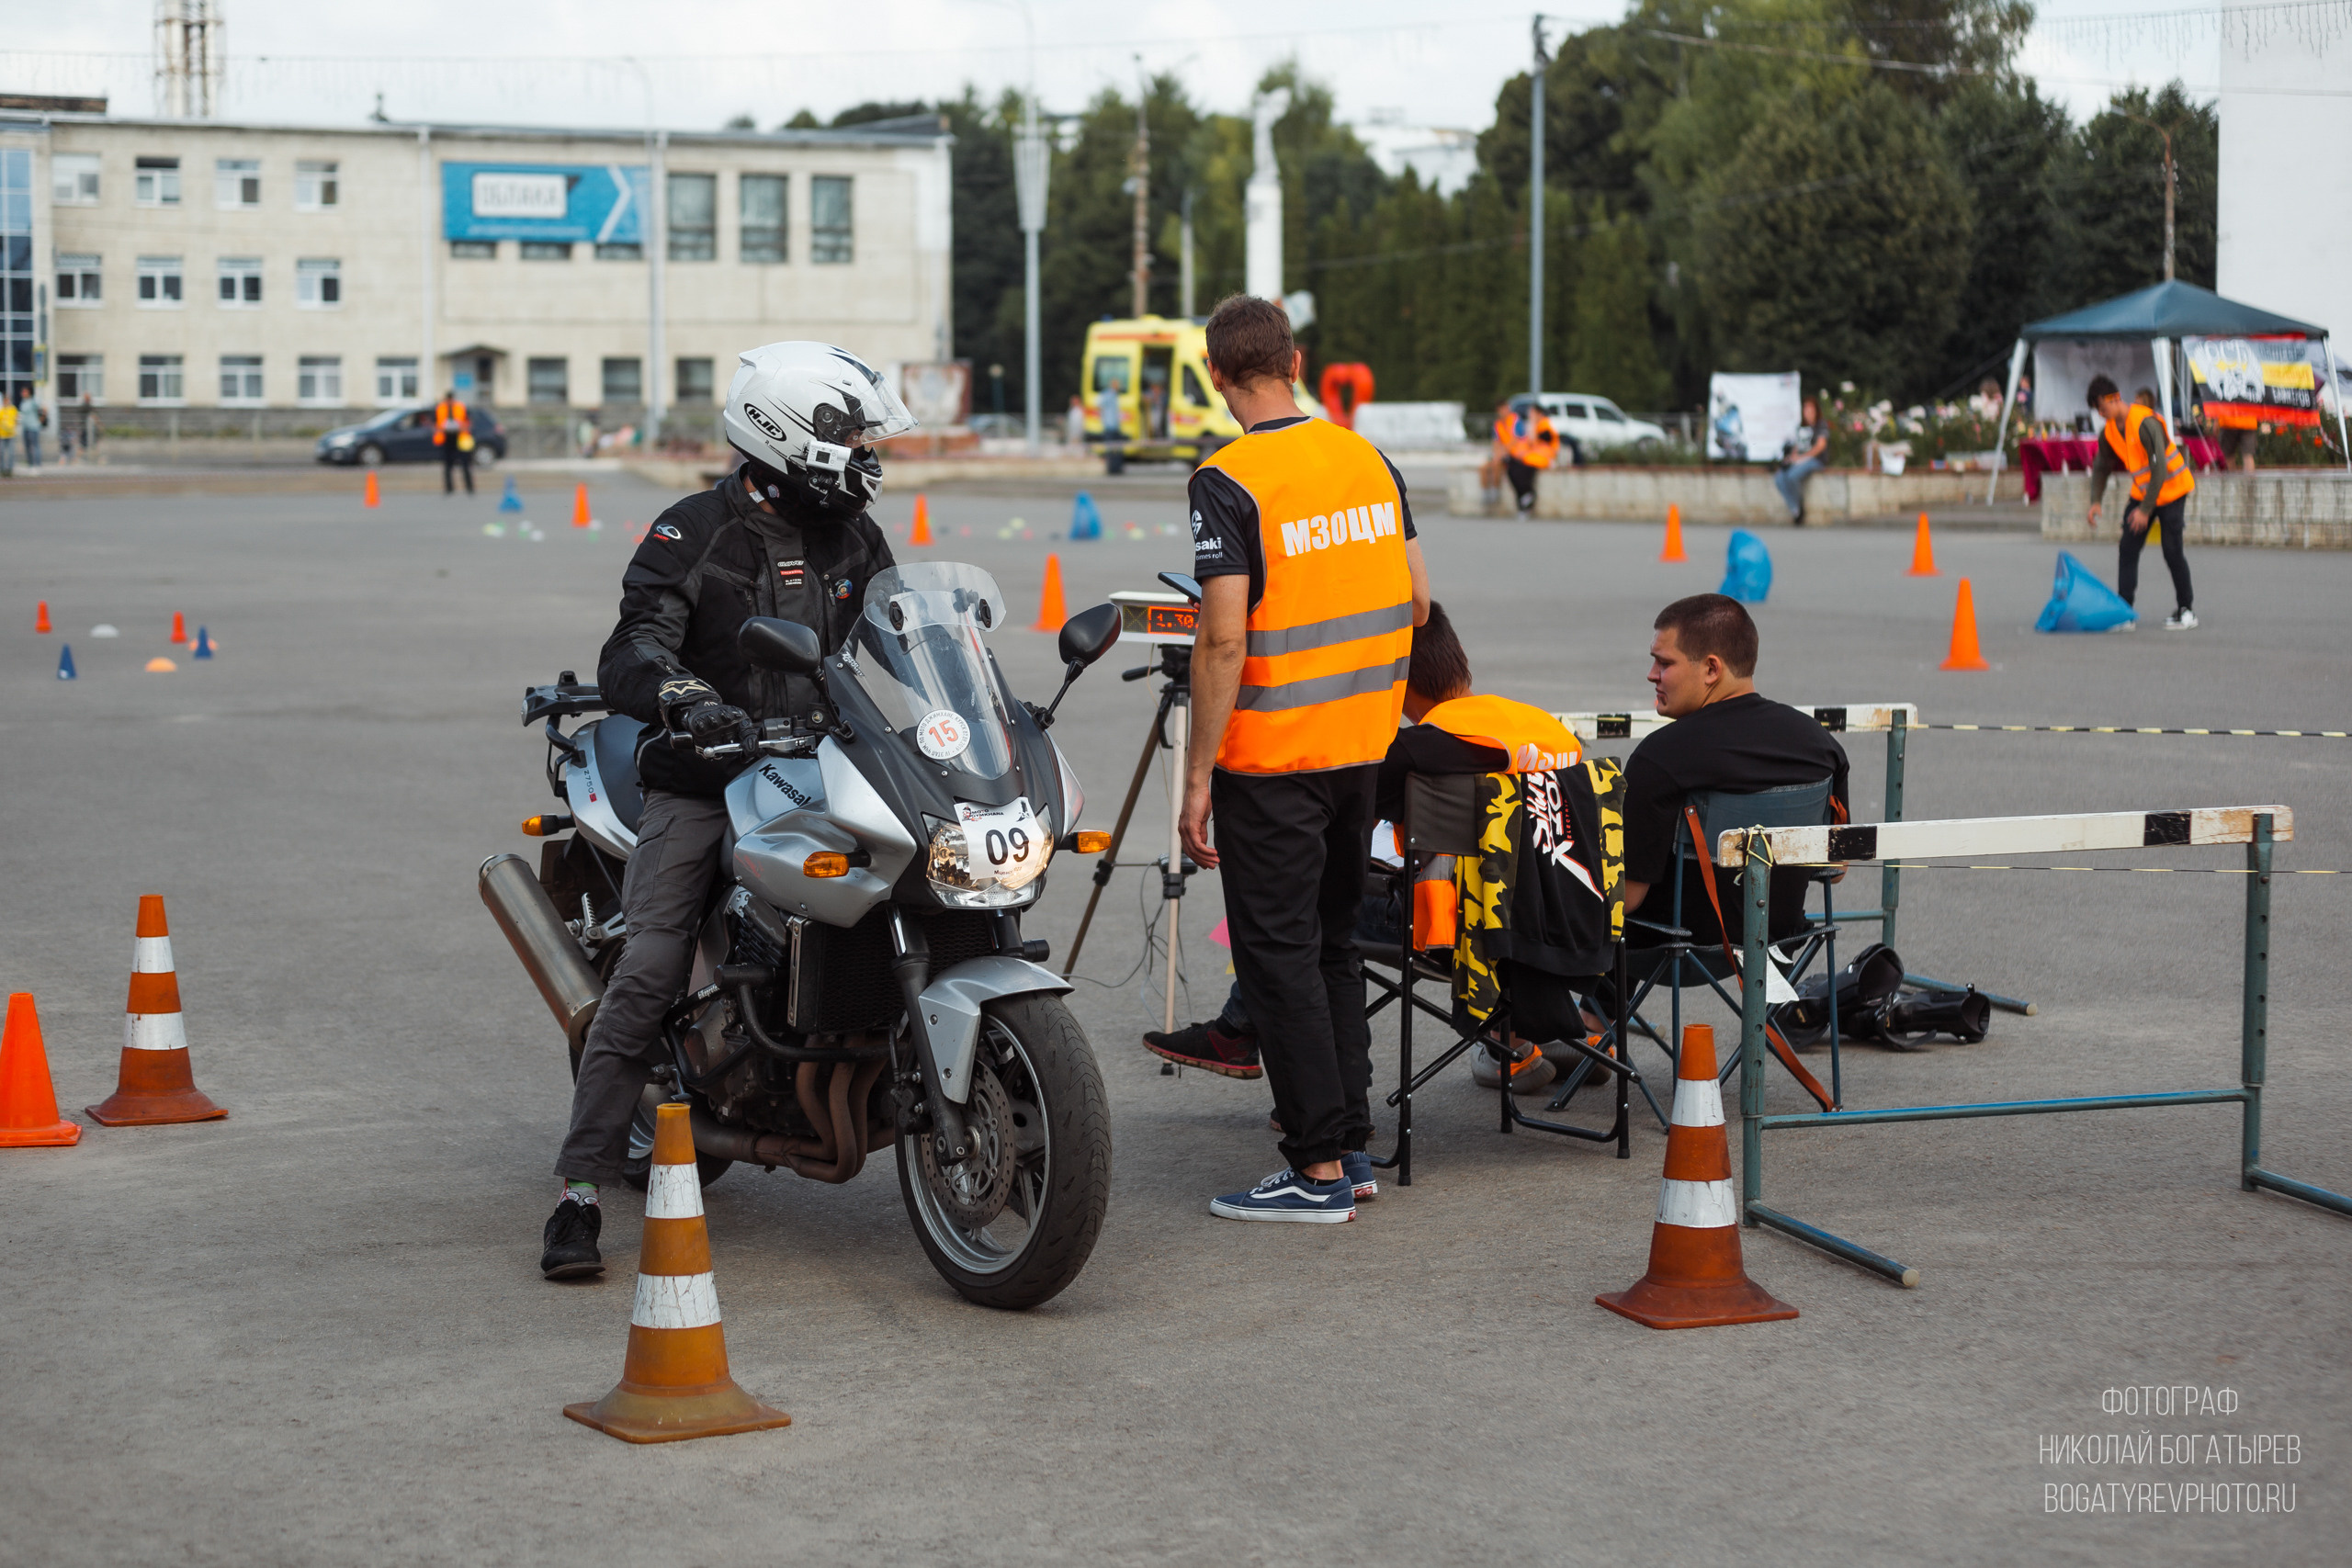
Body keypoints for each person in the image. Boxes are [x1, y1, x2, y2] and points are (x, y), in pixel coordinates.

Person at [538, 341, 911, 1280]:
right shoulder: (696, 529)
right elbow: (632, 647)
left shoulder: (856, 535)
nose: (868, 452)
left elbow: (905, 638)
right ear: (791, 435)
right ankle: (578, 1190)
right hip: (705, 773)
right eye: (852, 433)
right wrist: (682, 697)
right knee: (652, 964)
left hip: (823, 762)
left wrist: (964, 707)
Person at [1180, 293, 1430, 1224]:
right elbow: (1416, 601)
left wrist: (1197, 776)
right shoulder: (1368, 459)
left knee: (1277, 957)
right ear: (1297, 360)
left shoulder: (1228, 478)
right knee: (1332, 948)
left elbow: (1221, 642)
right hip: (1360, 747)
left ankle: (1315, 1169)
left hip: (1272, 756)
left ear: (1215, 375)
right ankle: (1349, 1146)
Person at [1145, 601, 1583, 1100]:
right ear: (1457, 657)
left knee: (1298, 908)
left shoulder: (1419, 751)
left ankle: (1308, 1077)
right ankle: (1526, 1043)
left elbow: (1327, 822)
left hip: (1459, 928)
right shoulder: (1545, 727)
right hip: (1565, 919)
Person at [1619, 594, 1849, 954]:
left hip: (1678, 944)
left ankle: (1588, 1013)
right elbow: (1836, 866)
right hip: (1779, 934)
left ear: (1712, 669)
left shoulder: (1661, 755)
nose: (1652, 675)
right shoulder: (1822, 746)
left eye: (1663, 663)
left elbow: (1627, 898)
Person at [2086, 376, 2197, 630]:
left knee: (2172, 551)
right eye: (2098, 411)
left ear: (2115, 398)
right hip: (2143, 494)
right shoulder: (2110, 431)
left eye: (2103, 408)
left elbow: (2159, 468)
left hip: (2172, 491)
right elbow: (2102, 466)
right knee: (2128, 548)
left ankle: (2186, 610)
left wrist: (2145, 510)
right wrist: (2095, 501)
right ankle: (2125, 611)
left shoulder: (2145, 422)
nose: (2102, 415)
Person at [1774, 396, 1828, 525]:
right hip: (1800, 460)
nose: (1808, 413)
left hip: (1815, 460)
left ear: (1816, 411)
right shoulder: (1802, 427)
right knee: (1780, 478)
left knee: (1793, 476)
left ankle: (1799, 506)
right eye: (1806, 410)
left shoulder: (1821, 425)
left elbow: (1820, 446)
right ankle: (1795, 509)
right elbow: (1798, 446)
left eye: (1811, 410)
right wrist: (1793, 457)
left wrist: (1804, 457)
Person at [1500, 399, 1559, 514]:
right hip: (1532, 456)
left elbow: (1537, 440)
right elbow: (1527, 444)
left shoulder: (1545, 425)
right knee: (1511, 465)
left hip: (1543, 458)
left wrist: (1532, 423)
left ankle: (1527, 494)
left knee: (1522, 467)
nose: (1529, 416)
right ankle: (1524, 495)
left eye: (1532, 413)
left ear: (1539, 414)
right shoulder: (1536, 426)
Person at [432, 389, 474, 494]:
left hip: (460, 438)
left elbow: (468, 422)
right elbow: (435, 424)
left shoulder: (460, 407)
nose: (450, 401)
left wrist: (461, 426)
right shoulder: (440, 408)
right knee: (447, 466)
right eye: (448, 399)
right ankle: (449, 488)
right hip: (446, 439)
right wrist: (442, 428)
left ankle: (469, 488)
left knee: (465, 464)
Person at [0, 394, 16, 479]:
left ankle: (9, 469)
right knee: (1, 453)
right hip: (2, 435)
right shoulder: (1, 411)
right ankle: (2, 469)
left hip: (10, 435)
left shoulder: (13, 410)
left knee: (11, 453)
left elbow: (15, 420)